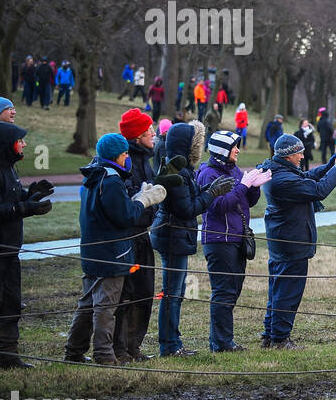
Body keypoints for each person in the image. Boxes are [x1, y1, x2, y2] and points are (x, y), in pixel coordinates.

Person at [65, 134, 167, 364]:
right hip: (112, 254)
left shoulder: (95, 175)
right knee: (105, 307)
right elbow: (126, 217)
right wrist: (144, 200)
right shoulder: (111, 181)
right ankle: (104, 355)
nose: (127, 158)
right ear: (115, 156)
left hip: (93, 251)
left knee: (88, 303)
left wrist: (137, 197)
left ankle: (74, 351)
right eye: (124, 154)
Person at [150, 121, 233, 357]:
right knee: (173, 294)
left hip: (176, 235)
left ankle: (172, 342)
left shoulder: (181, 170)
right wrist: (212, 193)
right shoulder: (175, 172)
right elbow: (187, 208)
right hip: (172, 236)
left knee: (175, 292)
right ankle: (170, 345)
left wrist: (207, 188)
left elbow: (191, 196)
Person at [260, 135, 336, 349]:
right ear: (288, 155)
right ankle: (280, 339)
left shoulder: (279, 171)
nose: (302, 155)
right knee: (287, 293)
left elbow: (307, 176)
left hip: (284, 241)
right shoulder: (282, 180)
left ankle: (270, 336)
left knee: (278, 291)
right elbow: (318, 190)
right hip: (291, 243)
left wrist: (329, 166)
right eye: (299, 152)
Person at [197, 130, 270, 352]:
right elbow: (219, 206)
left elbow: (245, 200)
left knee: (233, 290)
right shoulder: (208, 174)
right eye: (233, 146)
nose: (238, 150)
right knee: (224, 292)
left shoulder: (233, 170)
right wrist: (243, 185)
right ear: (221, 150)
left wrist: (254, 186)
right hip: (219, 241)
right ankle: (221, 343)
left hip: (236, 239)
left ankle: (221, 340)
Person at [111, 109, 174, 363]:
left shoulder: (146, 160)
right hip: (127, 239)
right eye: (148, 129)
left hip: (143, 235)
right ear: (137, 135)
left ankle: (134, 345)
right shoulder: (125, 160)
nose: (153, 133)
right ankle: (119, 348)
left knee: (145, 292)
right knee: (125, 294)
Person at [0, 121, 55, 368]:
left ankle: (9, 355)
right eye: (20, 140)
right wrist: (24, 208)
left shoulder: (9, 168)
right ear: (8, 144)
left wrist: (31, 194)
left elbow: (12, 199)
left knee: (11, 303)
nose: (24, 144)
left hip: (10, 251)